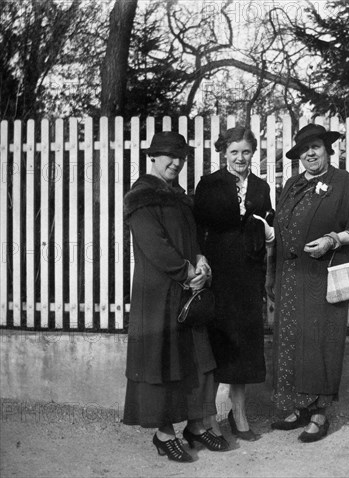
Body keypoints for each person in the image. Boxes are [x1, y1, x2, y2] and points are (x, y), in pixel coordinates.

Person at [123, 131, 230, 462]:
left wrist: (201, 261)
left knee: (197, 358)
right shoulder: (140, 196)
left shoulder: (179, 196)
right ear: (152, 157)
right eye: (169, 155)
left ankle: (196, 426)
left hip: (189, 290)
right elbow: (153, 244)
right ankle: (163, 433)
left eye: (181, 156)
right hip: (158, 294)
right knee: (162, 362)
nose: (176, 162)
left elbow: (192, 238)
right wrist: (186, 273)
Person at [269, 123, 349, 443]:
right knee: (292, 341)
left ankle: (319, 414)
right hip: (291, 278)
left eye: (315, 147)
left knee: (320, 343)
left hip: (322, 275)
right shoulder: (291, 184)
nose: (310, 154)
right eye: (304, 150)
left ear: (327, 149)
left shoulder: (342, 182)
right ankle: (299, 407)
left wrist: (333, 239)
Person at [193, 126, 274, 442]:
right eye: (235, 152)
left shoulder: (261, 186)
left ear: (254, 153)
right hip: (219, 273)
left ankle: (238, 413)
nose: (241, 158)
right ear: (224, 154)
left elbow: (267, 226)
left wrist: (266, 234)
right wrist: (199, 258)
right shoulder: (209, 184)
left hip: (249, 276)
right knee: (217, 343)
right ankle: (208, 414)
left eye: (246, 152)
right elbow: (197, 228)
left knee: (244, 346)